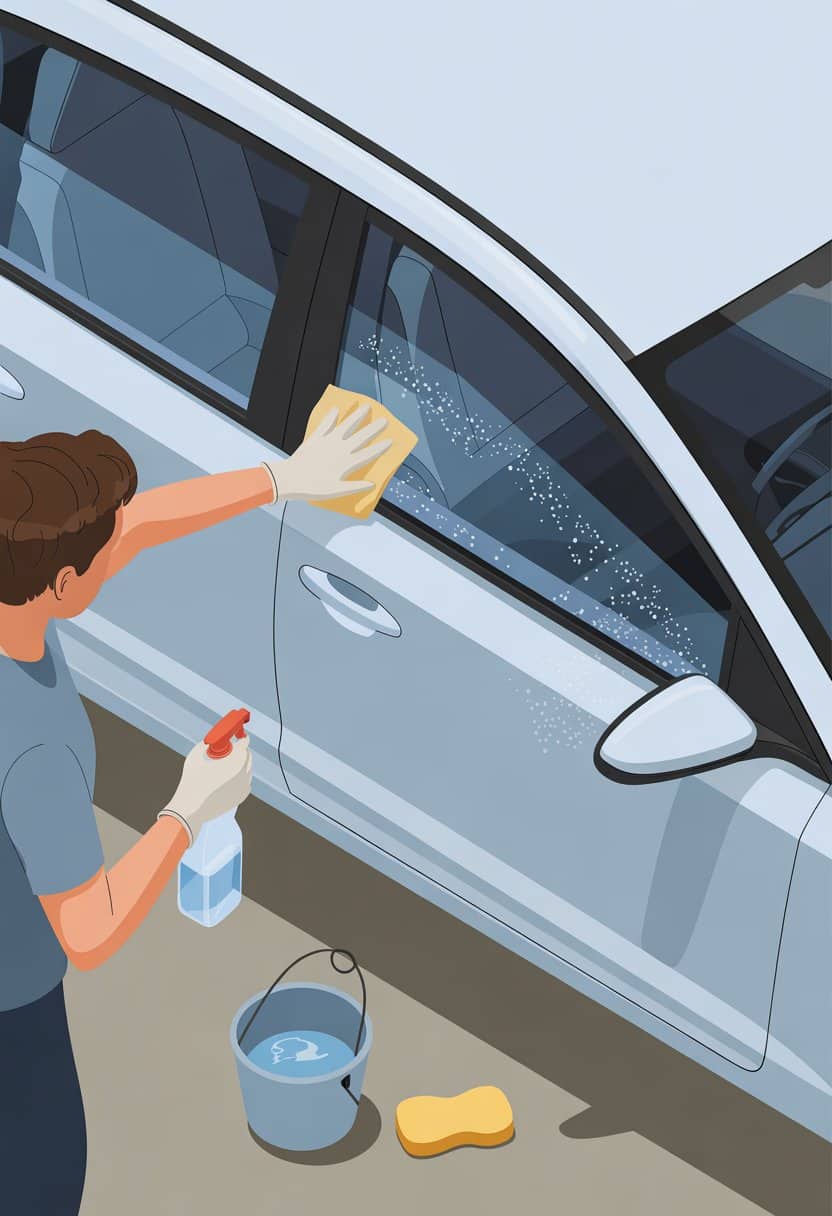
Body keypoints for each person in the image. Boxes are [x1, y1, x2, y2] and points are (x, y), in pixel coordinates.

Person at [0, 401, 389, 1215]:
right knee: (39, 1181)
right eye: (98, 558)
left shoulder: (17, 578)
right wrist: (188, 806)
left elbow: (132, 526)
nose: (122, 547)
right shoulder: (32, 743)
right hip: (9, 1009)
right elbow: (90, 928)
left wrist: (285, 478)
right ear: (62, 582)